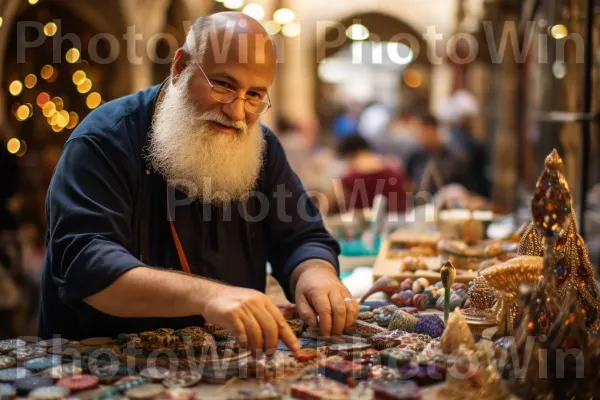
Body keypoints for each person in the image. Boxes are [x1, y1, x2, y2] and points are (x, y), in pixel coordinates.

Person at [40, 12, 358, 352]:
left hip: (225, 366)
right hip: (103, 369)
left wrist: (315, 273)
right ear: (180, 68)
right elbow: (85, 263)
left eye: (254, 95)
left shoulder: (262, 146)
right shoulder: (104, 141)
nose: (237, 112)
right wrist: (210, 296)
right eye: (223, 85)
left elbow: (302, 236)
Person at [335, 135, 408, 213]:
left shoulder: (348, 179)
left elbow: (342, 205)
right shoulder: (394, 170)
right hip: (401, 221)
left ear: (349, 155)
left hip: (364, 223)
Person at [405, 115, 468, 195]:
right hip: (419, 205)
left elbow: (463, 191)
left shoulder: (456, 159)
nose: (418, 137)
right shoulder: (415, 157)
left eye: (422, 132)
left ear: (432, 130)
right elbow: (408, 184)